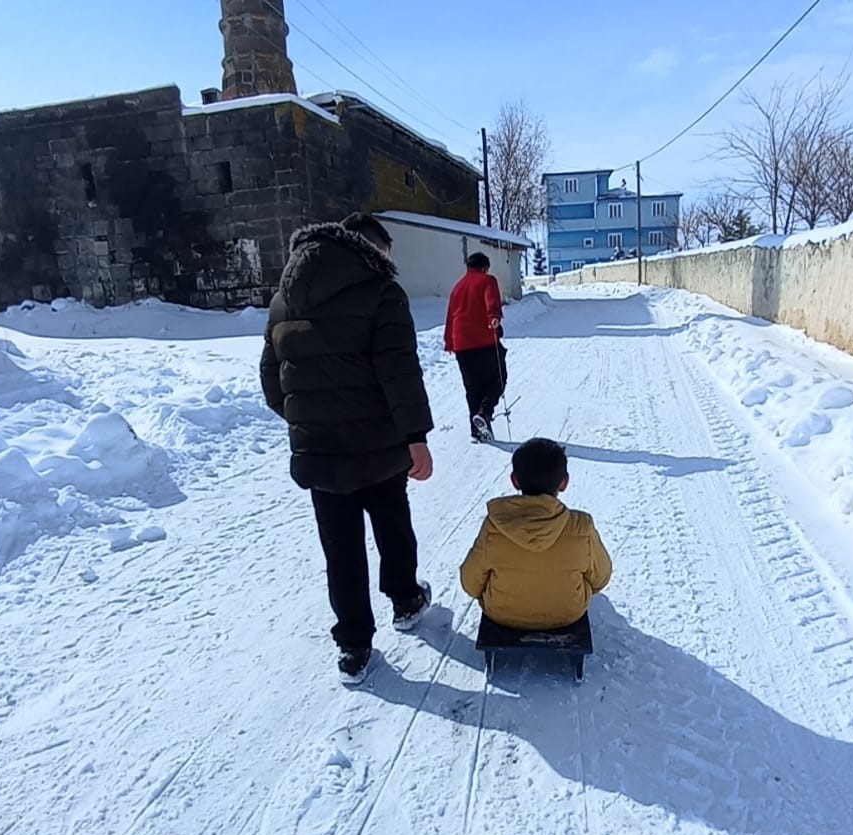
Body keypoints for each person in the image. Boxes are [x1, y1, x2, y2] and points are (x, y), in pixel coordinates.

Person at [260, 212, 435, 683]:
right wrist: (415, 437)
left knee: (340, 548)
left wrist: (313, 420)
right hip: (379, 446)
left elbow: (272, 382)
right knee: (392, 526)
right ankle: (405, 600)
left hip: (320, 450)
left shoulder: (285, 298)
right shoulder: (381, 291)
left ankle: (354, 647)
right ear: (372, 249)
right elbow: (399, 372)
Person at [459, 438, 612, 631]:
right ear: (564, 483)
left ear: (514, 480)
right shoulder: (581, 526)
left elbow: (470, 583)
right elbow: (601, 578)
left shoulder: (495, 525)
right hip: (567, 614)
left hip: (502, 614)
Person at [445, 252, 508, 442]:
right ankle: (485, 412)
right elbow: (491, 301)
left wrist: (449, 340)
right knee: (498, 379)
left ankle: (477, 430)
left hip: (461, 344)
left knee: (473, 387)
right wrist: (493, 317)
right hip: (484, 340)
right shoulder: (488, 280)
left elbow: (450, 315)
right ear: (485, 267)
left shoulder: (457, 287)